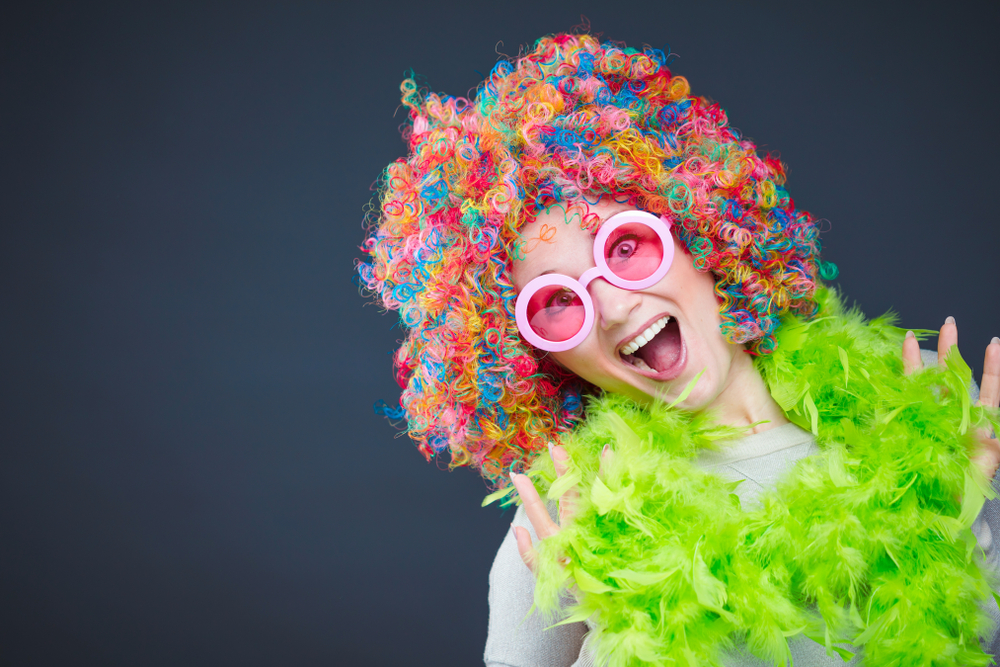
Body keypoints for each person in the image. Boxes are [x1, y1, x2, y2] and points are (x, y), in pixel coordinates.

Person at [358, 32, 1000, 666]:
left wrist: (956, 521)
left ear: (697, 234)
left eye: (626, 248)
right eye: (555, 301)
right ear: (537, 358)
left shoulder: (911, 429)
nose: (610, 307)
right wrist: (614, 633)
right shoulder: (569, 520)